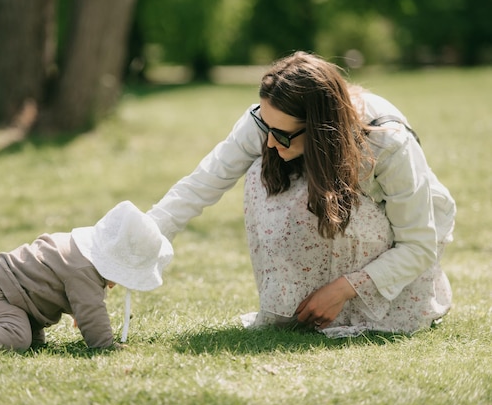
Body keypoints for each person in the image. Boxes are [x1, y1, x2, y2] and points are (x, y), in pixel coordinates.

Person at [146, 51, 456, 338]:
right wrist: (128, 248)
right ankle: (301, 306)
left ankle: (344, 308)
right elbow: (201, 184)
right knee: (259, 174)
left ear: (321, 128)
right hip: (332, 217)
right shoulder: (270, 120)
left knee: (319, 199)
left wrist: (344, 289)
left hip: (390, 244)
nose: (269, 142)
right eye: (264, 127)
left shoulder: (389, 143)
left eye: (280, 135)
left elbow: (418, 245)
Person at [0, 201, 173, 356]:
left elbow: (54, 275)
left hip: (15, 298)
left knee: (34, 344)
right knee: (18, 337)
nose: (114, 284)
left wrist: (76, 309)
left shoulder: (79, 252)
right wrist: (105, 345)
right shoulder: (83, 269)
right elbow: (91, 309)